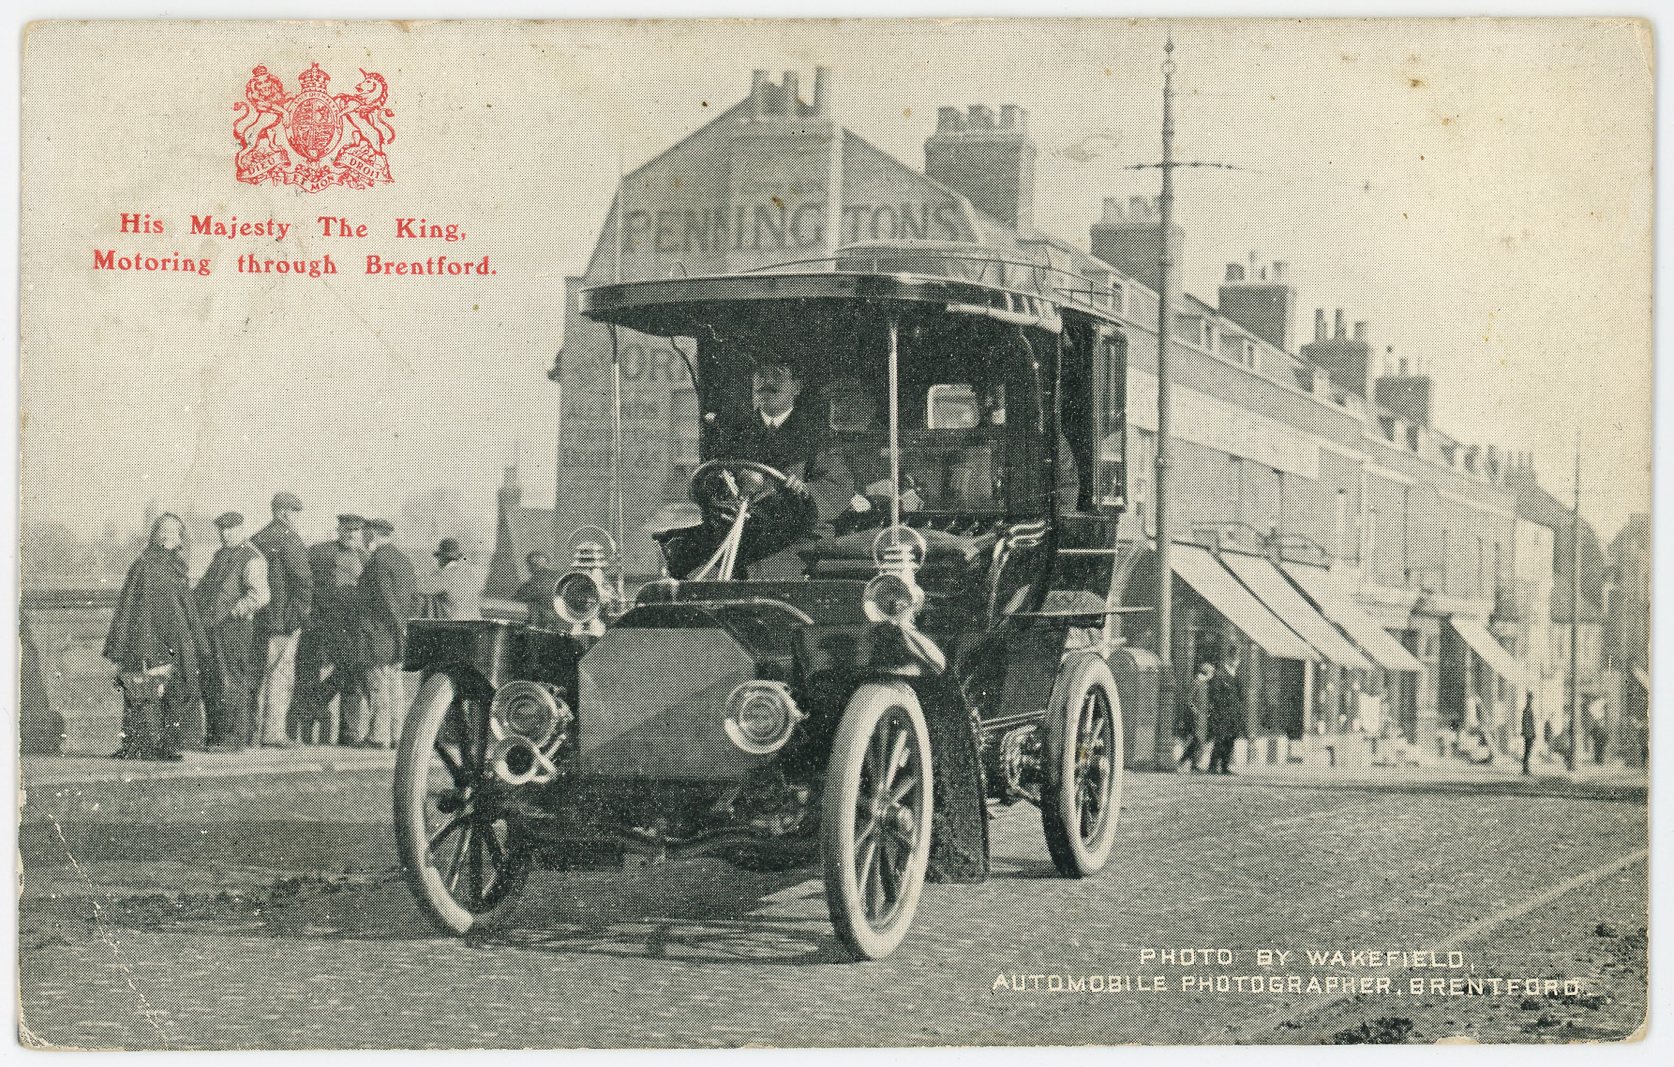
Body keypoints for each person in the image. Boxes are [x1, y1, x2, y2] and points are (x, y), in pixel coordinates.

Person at [662, 359, 863, 578]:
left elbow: (837, 485)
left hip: (797, 541)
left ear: (796, 387)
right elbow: (707, 481)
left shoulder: (818, 435)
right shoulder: (733, 432)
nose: (766, 381)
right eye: (760, 375)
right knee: (683, 569)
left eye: (777, 374)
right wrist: (725, 486)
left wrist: (803, 490)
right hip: (741, 535)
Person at [104, 513, 209, 761]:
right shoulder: (152, 566)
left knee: (155, 691)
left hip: (167, 640)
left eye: (174, 531)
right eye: (165, 531)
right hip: (155, 641)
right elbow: (139, 607)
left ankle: (149, 744)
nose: (170, 536)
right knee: (150, 690)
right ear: (156, 535)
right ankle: (151, 744)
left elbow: (184, 607)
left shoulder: (164, 565)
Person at [194, 512, 269, 751]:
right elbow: (204, 588)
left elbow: (261, 595)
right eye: (222, 530)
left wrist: (235, 613)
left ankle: (234, 739)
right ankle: (217, 735)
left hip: (234, 630)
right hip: (212, 629)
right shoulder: (220, 555)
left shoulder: (253, 558)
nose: (225, 534)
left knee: (232, 682)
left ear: (241, 529)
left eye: (230, 530)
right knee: (213, 682)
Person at [296, 514, 369, 745]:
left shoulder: (367, 558)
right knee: (308, 672)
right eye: (346, 531)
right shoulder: (319, 552)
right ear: (337, 530)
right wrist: (306, 615)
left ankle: (348, 732)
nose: (350, 535)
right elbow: (302, 583)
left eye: (355, 532)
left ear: (361, 534)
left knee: (352, 674)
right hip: (319, 624)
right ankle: (303, 729)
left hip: (351, 626)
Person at [250, 491, 313, 748]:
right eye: (295, 514)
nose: (297, 519)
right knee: (280, 675)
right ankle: (273, 732)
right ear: (285, 513)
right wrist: (297, 617)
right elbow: (304, 582)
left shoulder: (257, 539)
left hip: (259, 621)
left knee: (257, 675)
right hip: (283, 623)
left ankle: (252, 732)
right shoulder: (291, 540)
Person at [357, 518, 420, 748]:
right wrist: (404, 626)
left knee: (378, 682)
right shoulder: (403, 559)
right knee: (395, 683)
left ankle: (378, 736)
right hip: (398, 633)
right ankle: (397, 735)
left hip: (378, 631)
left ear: (373, 535)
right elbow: (414, 598)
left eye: (365, 534)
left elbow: (385, 597)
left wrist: (394, 623)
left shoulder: (378, 560)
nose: (363, 538)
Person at [420, 537, 483, 620]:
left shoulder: (443, 575)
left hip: (455, 626)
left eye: (438, 558)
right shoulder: (469, 574)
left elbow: (420, 589)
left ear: (442, 557)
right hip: (477, 624)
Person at [1206, 645, 1245, 775]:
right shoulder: (1220, 674)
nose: (1236, 660)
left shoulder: (1236, 675)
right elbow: (1215, 694)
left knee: (1230, 740)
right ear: (1229, 659)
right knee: (1220, 740)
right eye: (1234, 657)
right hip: (1222, 714)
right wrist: (1223, 707)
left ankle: (1224, 766)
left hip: (1233, 714)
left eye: (1237, 658)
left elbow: (1241, 695)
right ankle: (1212, 766)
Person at [1178, 660, 1214, 773]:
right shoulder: (1196, 683)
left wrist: (1208, 710)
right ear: (1206, 672)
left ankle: (1190, 763)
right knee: (1198, 740)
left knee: (1198, 741)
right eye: (1211, 672)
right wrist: (1196, 712)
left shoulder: (1204, 684)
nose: (1212, 675)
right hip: (1197, 717)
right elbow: (1189, 700)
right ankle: (1191, 763)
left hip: (1203, 716)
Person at [516, 551, 560, 628]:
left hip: (550, 621)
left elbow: (519, 597)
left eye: (536, 563)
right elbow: (519, 597)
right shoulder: (557, 577)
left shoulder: (540, 579)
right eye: (533, 564)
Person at [1520, 692, 1537, 776]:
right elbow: (1526, 723)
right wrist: (1531, 733)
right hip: (1528, 734)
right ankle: (1525, 769)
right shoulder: (1527, 709)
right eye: (1530, 698)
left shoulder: (1528, 709)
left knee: (1528, 751)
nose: (1531, 700)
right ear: (1528, 699)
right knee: (1527, 751)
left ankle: (1526, 768)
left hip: (1529, 733)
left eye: (1531, 699)